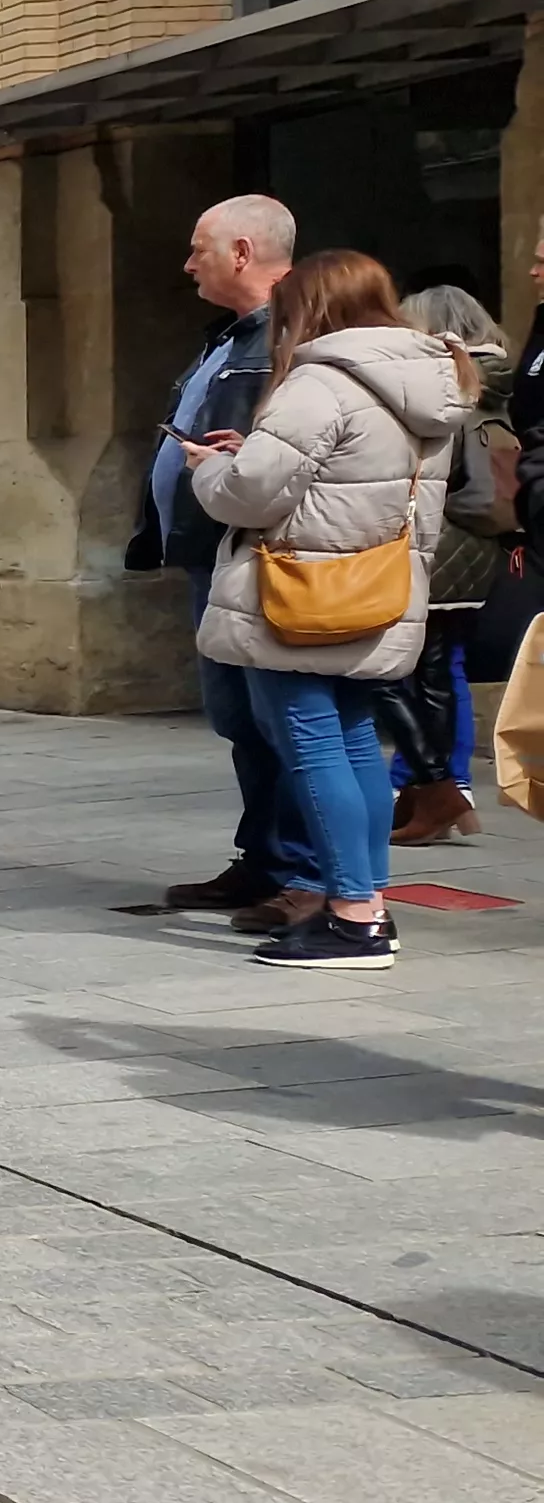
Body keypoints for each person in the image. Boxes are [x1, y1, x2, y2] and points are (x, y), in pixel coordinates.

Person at [184, 249, 474, 971]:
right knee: (353, 746)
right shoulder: (428, 378)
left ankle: (352, 916)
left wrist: (211, 467)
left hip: (298, 594)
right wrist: (255, 451)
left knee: (315, 749)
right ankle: (369, 901)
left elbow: (251, 496)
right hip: (378, 588)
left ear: (307, 308)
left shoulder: (320, 379)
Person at [143, 196, 318, 931]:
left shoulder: (291, 337)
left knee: (286, 723)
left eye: (199, 249)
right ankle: (265, 861)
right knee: (241, 720)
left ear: (242, 253)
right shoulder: (232, 336)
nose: (188, 265)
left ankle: (310, 876)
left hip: (259, 558)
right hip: (211, 559)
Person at [384, 284, 514, 847]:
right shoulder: (501, 381)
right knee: (441, 667)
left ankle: (436, 786)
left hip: (449, 544)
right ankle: (436, 786)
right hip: (477, 545)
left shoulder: (455, 383)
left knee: (422, 672)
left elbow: (451, 472)